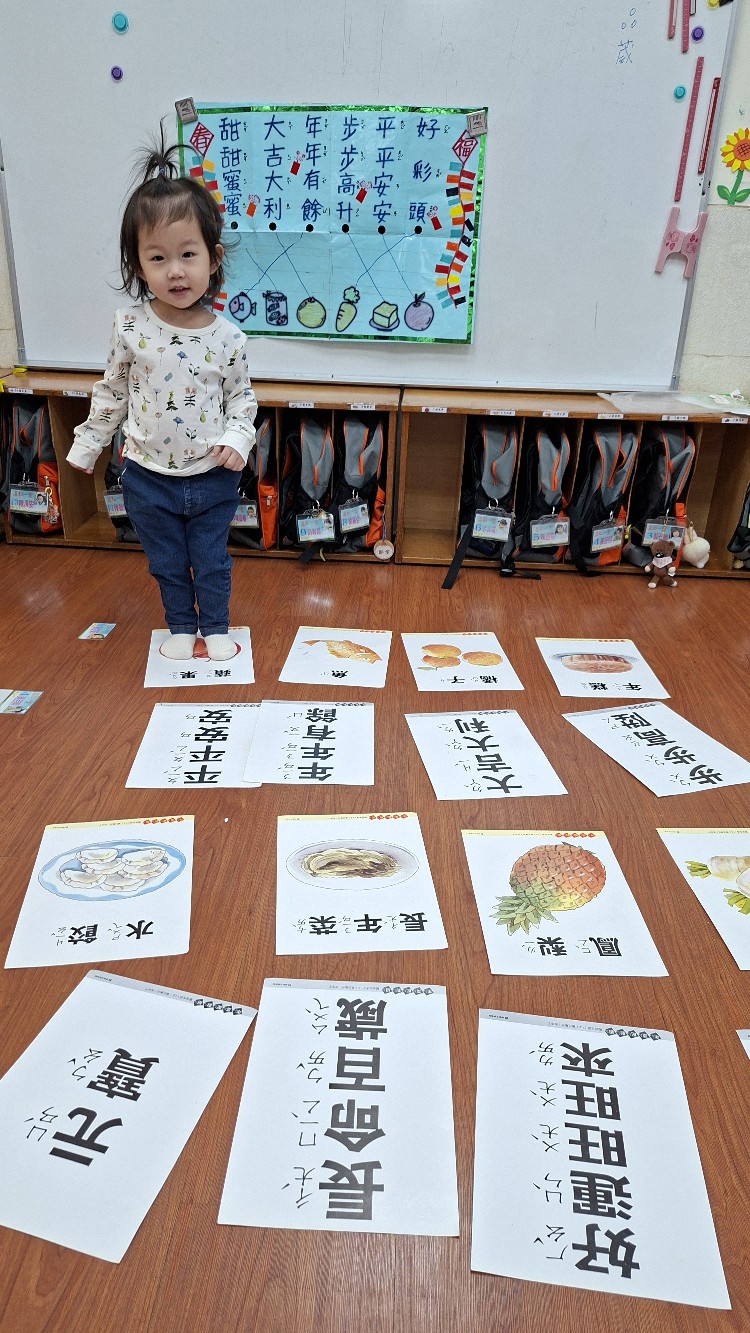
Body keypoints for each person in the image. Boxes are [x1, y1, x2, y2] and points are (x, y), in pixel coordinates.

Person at [67, 133, 257, 661]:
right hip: (146, 476)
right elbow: (113, 391)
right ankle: (180, 625)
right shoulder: (129, 327)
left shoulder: (228, 338)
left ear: (213, 259)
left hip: (212, 475)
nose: (175, 270)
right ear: (138, 265)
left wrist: (239, 437)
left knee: (211, 560)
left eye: (187, 254)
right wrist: (89, 444)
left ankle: (214, 626)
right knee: (167, 561)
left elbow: (242, 400)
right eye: (158, 257)